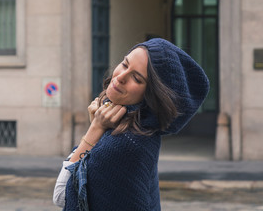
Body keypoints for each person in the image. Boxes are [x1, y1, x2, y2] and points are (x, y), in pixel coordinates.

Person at [53, 38, 209, 211]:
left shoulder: (125, 144)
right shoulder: (142, 132)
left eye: (136, 78)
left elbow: (61, 196)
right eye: (125, 64)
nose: (120, 77)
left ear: (152, 95)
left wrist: (95, 128)